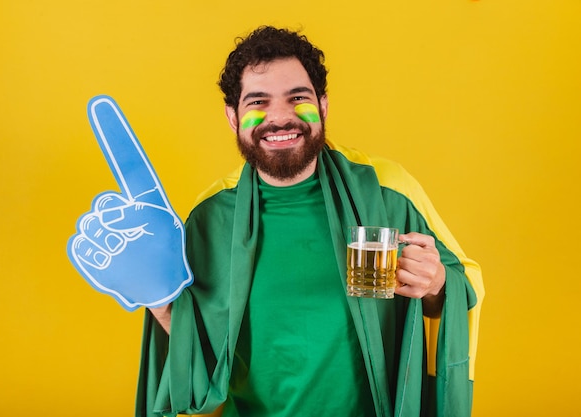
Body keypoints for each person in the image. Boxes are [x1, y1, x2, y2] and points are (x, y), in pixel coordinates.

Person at [137, 26, 484, 417]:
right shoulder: (211, 216)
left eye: (297, 98)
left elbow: (461, 284)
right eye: (258, 102)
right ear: (233, 117)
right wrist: (157, 300)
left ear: (322, 105)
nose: (281, 117)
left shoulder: (386, 189)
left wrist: (437, 284)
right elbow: (196, 345)